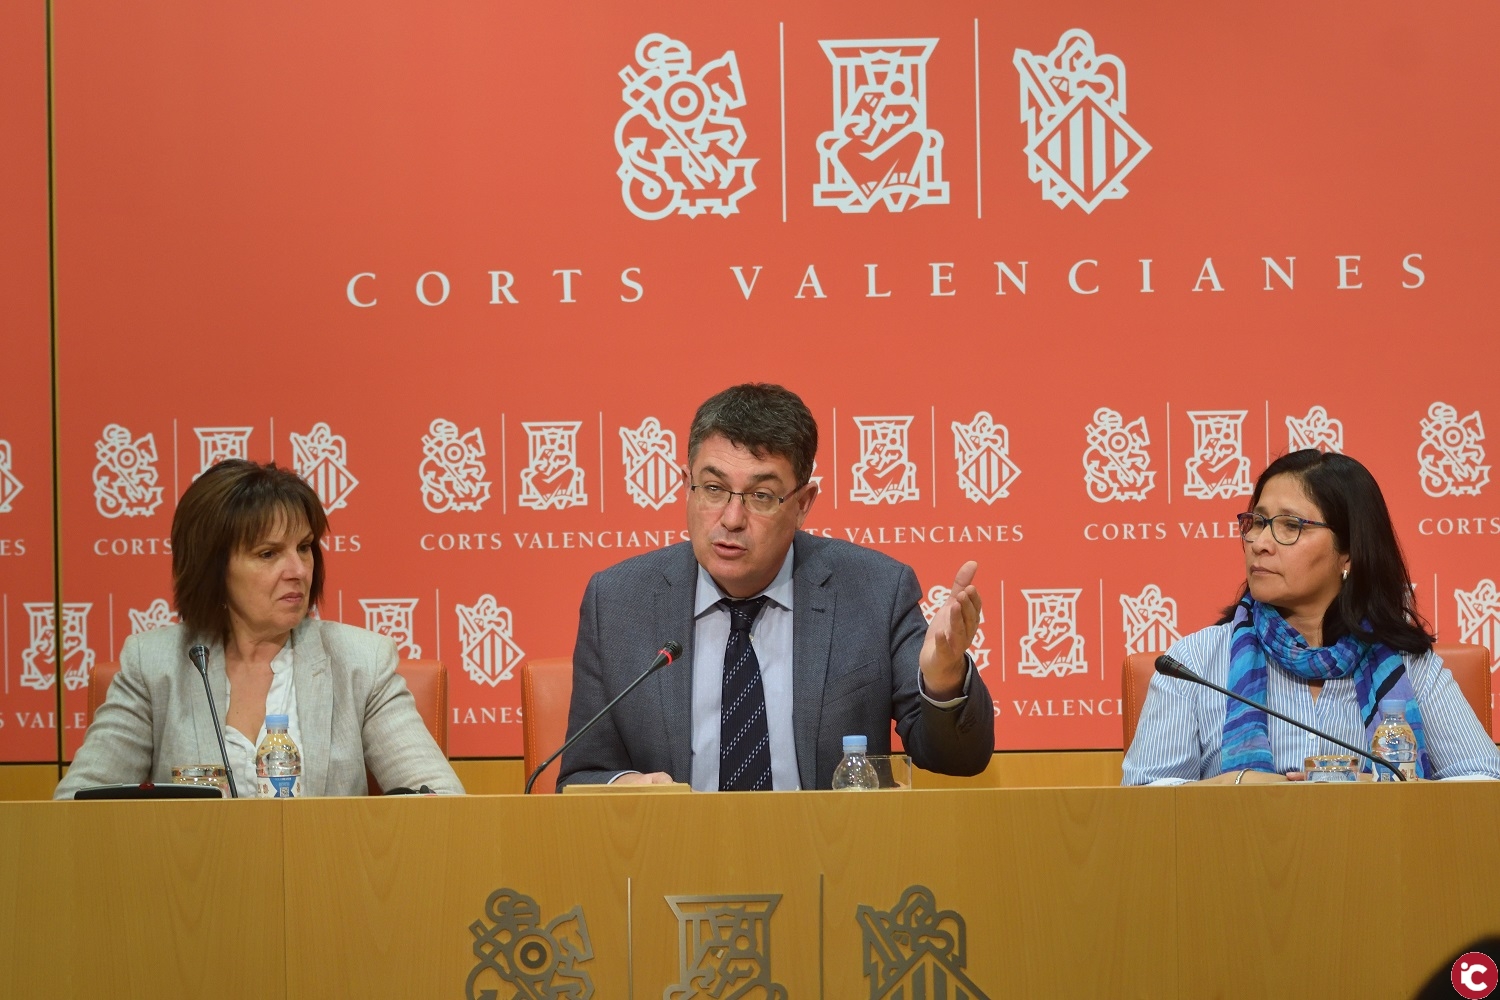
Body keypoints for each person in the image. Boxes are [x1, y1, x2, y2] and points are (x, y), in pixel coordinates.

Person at [558, 383, 994, 791]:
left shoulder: (874, 592)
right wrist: (625, 788)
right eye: (713, 489)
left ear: (803, 504)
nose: (731, 519)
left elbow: (959, 758)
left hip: (828, 846)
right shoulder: (617, 603)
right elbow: (581, 774)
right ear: (686, 486)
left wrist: (943, 680)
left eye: (761, 496)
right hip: (674, 845)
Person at [56, 460, 462, 798]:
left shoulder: (361, 661)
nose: (298, 570)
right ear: (214, 569)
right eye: (268, 554)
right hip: (196, 870)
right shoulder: (154, 665)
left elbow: (440, 800)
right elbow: (74, 810)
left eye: (304, 547)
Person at [1123, 450, 1500, 784]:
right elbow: (1141, 803)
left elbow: (1484, 783)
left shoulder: (1409, 666)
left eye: (1291, 526)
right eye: (1258, 522)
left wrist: (1381, 790)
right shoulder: (1194, 664)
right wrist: (1233, 785)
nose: (1260, 543)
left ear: (1348, 552)